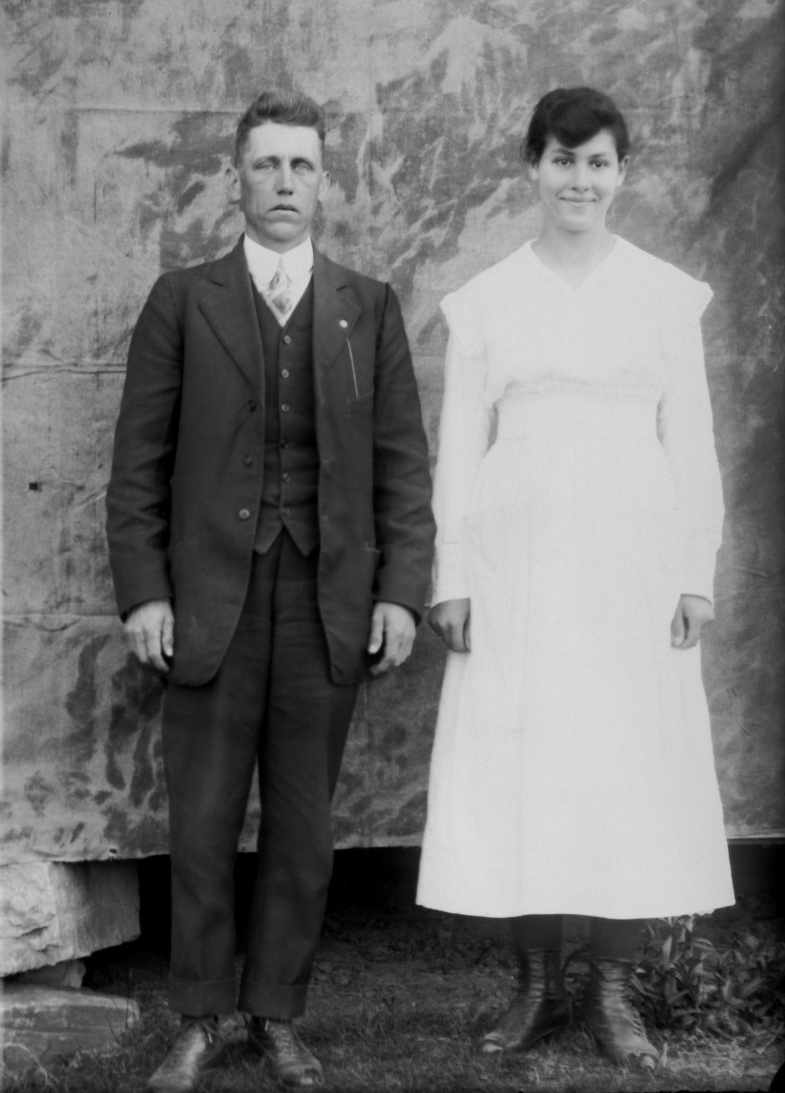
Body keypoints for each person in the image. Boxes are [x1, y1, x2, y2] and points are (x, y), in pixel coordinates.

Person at [106, 89, 435, 1092]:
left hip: (327, 606)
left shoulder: (366, 306)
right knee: (202, 824)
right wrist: (145, 594)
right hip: (209, 603)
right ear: (236, 178)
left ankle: (276, 1016)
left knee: (302, 833)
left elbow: (401, 468)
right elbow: (137, 465)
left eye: (300, 165)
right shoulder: (183, 300)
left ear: (324, 181)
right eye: (265, 164)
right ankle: (202, 1018)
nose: (283, 182)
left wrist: (398, 594)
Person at [417, 87, 734, 1068]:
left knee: (621, 764)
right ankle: (532, 987)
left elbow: (691, 443)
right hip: (516, 567)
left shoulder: (663, 297)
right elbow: (458, 450)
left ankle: (609, 992)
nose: (578, 180)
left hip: (630, 565)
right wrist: (453, 575)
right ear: (532, 168)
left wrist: (692, 572)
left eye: (597, 162)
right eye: (561, 160)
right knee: (524, 763)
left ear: (620, 174)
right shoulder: (487, 302)